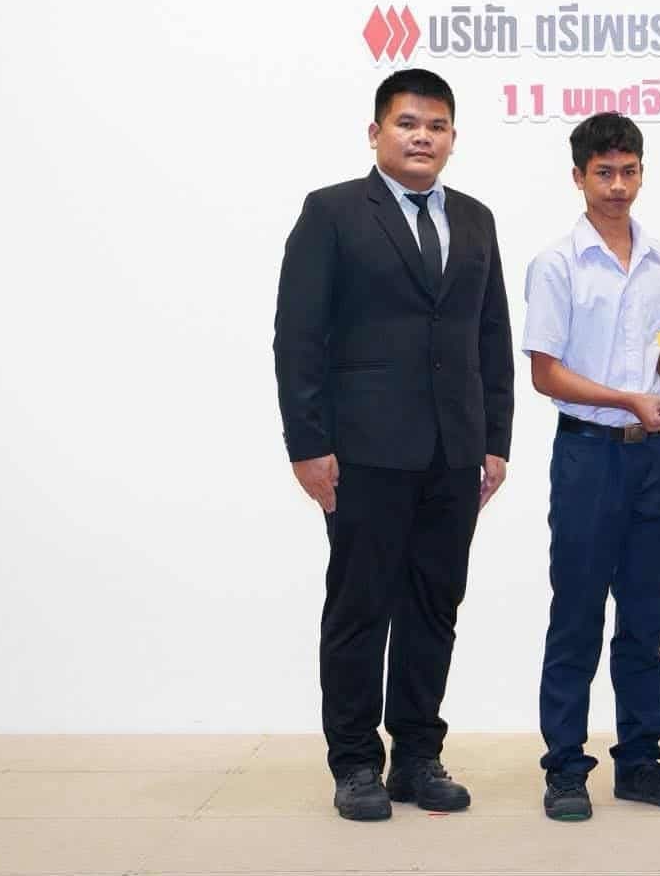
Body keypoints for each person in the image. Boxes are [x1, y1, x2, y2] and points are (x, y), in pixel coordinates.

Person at [272, 68, 515, 822]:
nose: (422, 137)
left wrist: (495, 440)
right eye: (407, 123)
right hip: (363, 453)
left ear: (453, 138)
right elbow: (298, 337)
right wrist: (308, 444)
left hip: (454, 453)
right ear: (376, 132)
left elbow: (491, 335)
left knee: (433, 606)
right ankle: (354, 763)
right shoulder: (333, 212)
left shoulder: (475, 219)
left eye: (436, 126)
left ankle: (417, 757)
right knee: (360, 608)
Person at [521, 113, 660, 821]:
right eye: (604, 172)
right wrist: (627, 399)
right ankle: (566, 769)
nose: (618, 185)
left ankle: (640, 762)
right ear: (578, 177)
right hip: (588, 454)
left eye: (629, 171)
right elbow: (545, 373)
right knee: (575, 615)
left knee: (645, 617)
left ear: (642, 173)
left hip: (655, 457)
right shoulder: (557, 264)